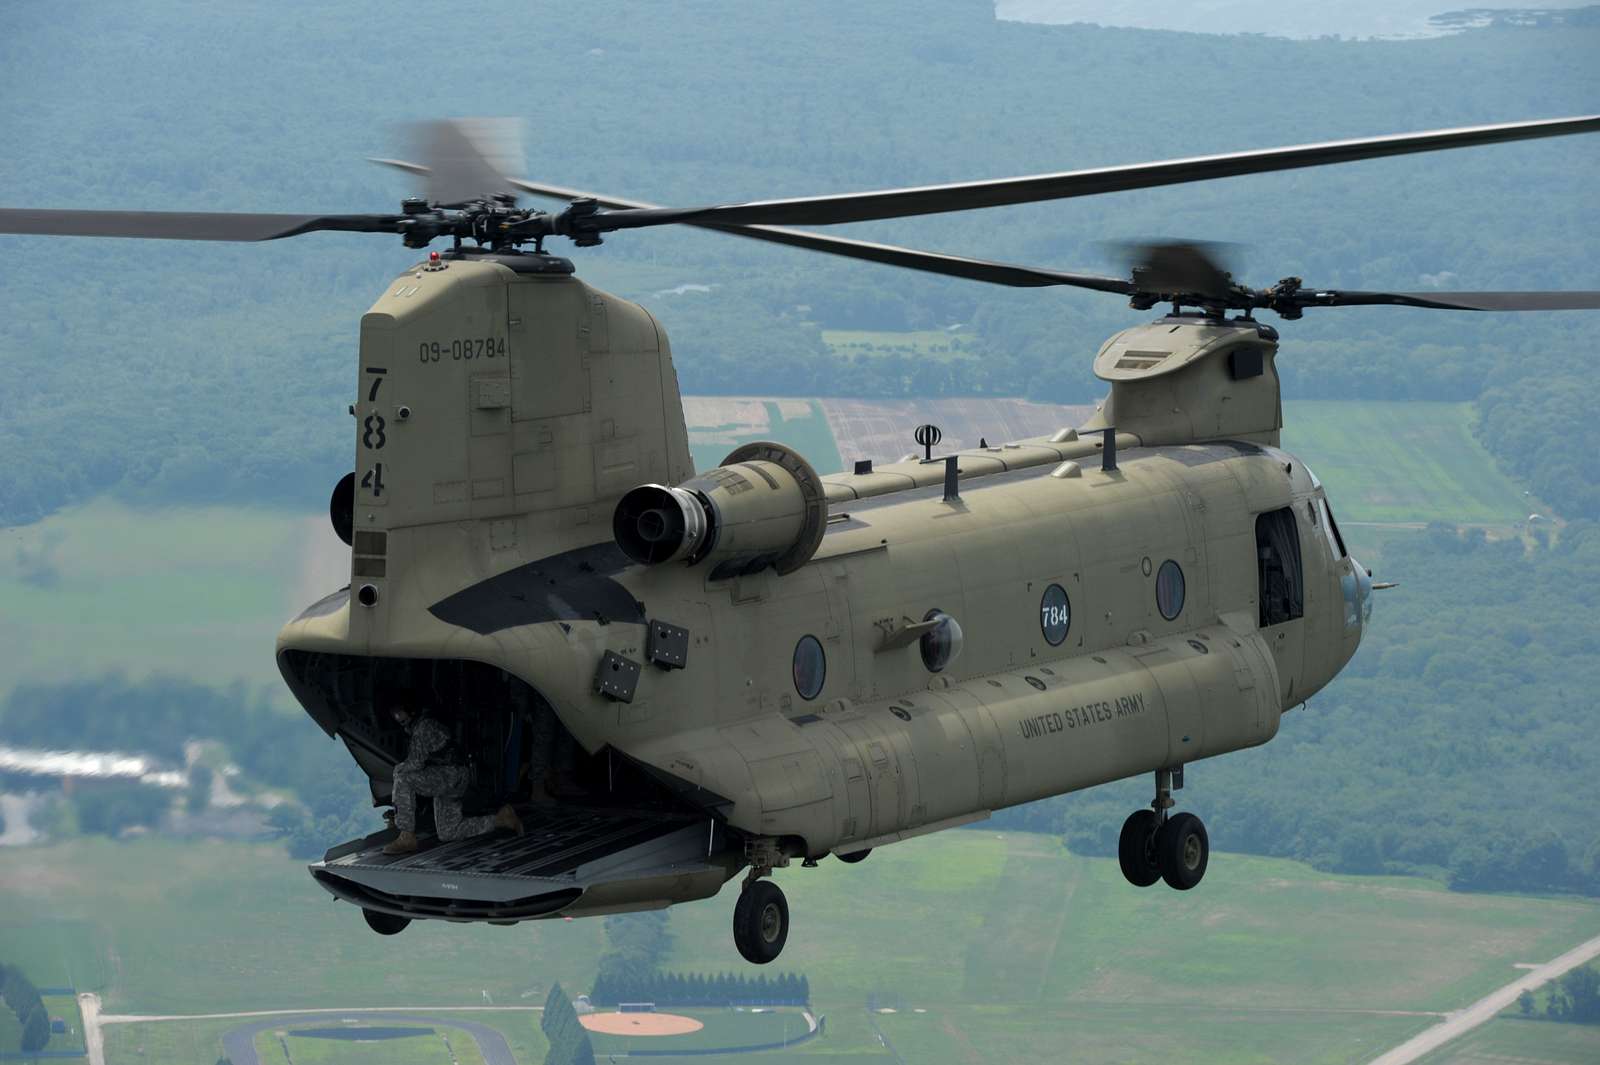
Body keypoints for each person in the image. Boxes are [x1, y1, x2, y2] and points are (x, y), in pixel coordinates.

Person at [383, 702, 522, 855]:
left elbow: (415, 763)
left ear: (411, 710)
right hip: (452, 777)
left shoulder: (423, 727)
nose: (397, 716)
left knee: (403, 778)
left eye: (399, 711)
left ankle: (406, 836)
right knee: (448, 831)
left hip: (450, 774)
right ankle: (501, 819)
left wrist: (397, 769)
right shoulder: (425, 724)